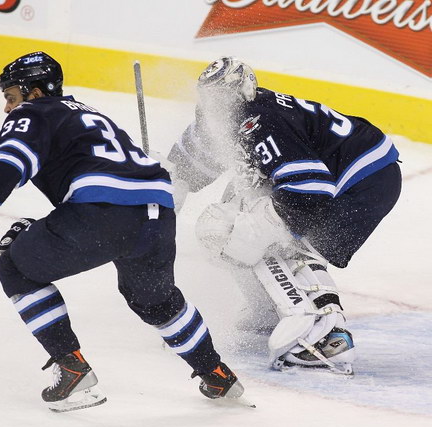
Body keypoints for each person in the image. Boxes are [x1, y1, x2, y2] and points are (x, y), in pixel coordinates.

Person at [0, 51, 245, 412]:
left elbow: (6, 166)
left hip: (104, 213)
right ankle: (217, 374)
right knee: (155, 300)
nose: (8, 108)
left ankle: (72, 368)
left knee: (14, 264)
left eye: (11, 97)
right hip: (158, 212)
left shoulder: (34, 112)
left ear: (34, 93)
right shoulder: (92, 114)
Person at [167, 57, 402, 375]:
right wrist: (166, 187)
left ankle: (328, 337)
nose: (215, 105)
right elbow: (191, 159)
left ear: (245, 91)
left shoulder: (260, 120)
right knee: (231, 224)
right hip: (337, 178)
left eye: (222, 97)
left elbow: (307, 193)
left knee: (279, 240)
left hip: (364, 180)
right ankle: (268, 309)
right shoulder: (225, 118)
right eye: (210, 98)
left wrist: (269, 231)